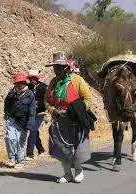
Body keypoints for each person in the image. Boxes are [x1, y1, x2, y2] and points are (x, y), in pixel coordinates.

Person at [45, 52, 93, 183]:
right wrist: (53, 110)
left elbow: (88, 99)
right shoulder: (53, 82)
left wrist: (78, 110)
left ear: (67, 68)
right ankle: (67, 174)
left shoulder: (77, 80)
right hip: (59, 120)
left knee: (77, 146)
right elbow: (47, 101)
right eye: (55, 68)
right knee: (61, 148)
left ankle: (78, 170)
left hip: (75, 120)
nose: (56, 70)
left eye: (59, 68)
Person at [4, 72, 35, 168]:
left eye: (22, 83)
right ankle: (12, 159)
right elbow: (6, 103)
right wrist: (7, 113)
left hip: (23, 122)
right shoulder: (11, 93)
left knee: (20, 142)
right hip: (12, 120)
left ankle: (20, 161)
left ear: (25, 83)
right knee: (10, 138)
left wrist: (30, 124)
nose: (20, 85)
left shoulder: (30, 94)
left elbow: (32, 110)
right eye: (18, 83)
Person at [25, 68, 48, 160]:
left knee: (33, 131)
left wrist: (40, 105)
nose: (32, 80)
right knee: (35, 132)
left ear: (37, 78)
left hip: (40, 113)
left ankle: (30, 154)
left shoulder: (43, 87)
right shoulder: (27, 87)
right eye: (30, 79)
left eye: (34, 78)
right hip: (30, 114)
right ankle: (41, 150)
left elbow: (47, 100)